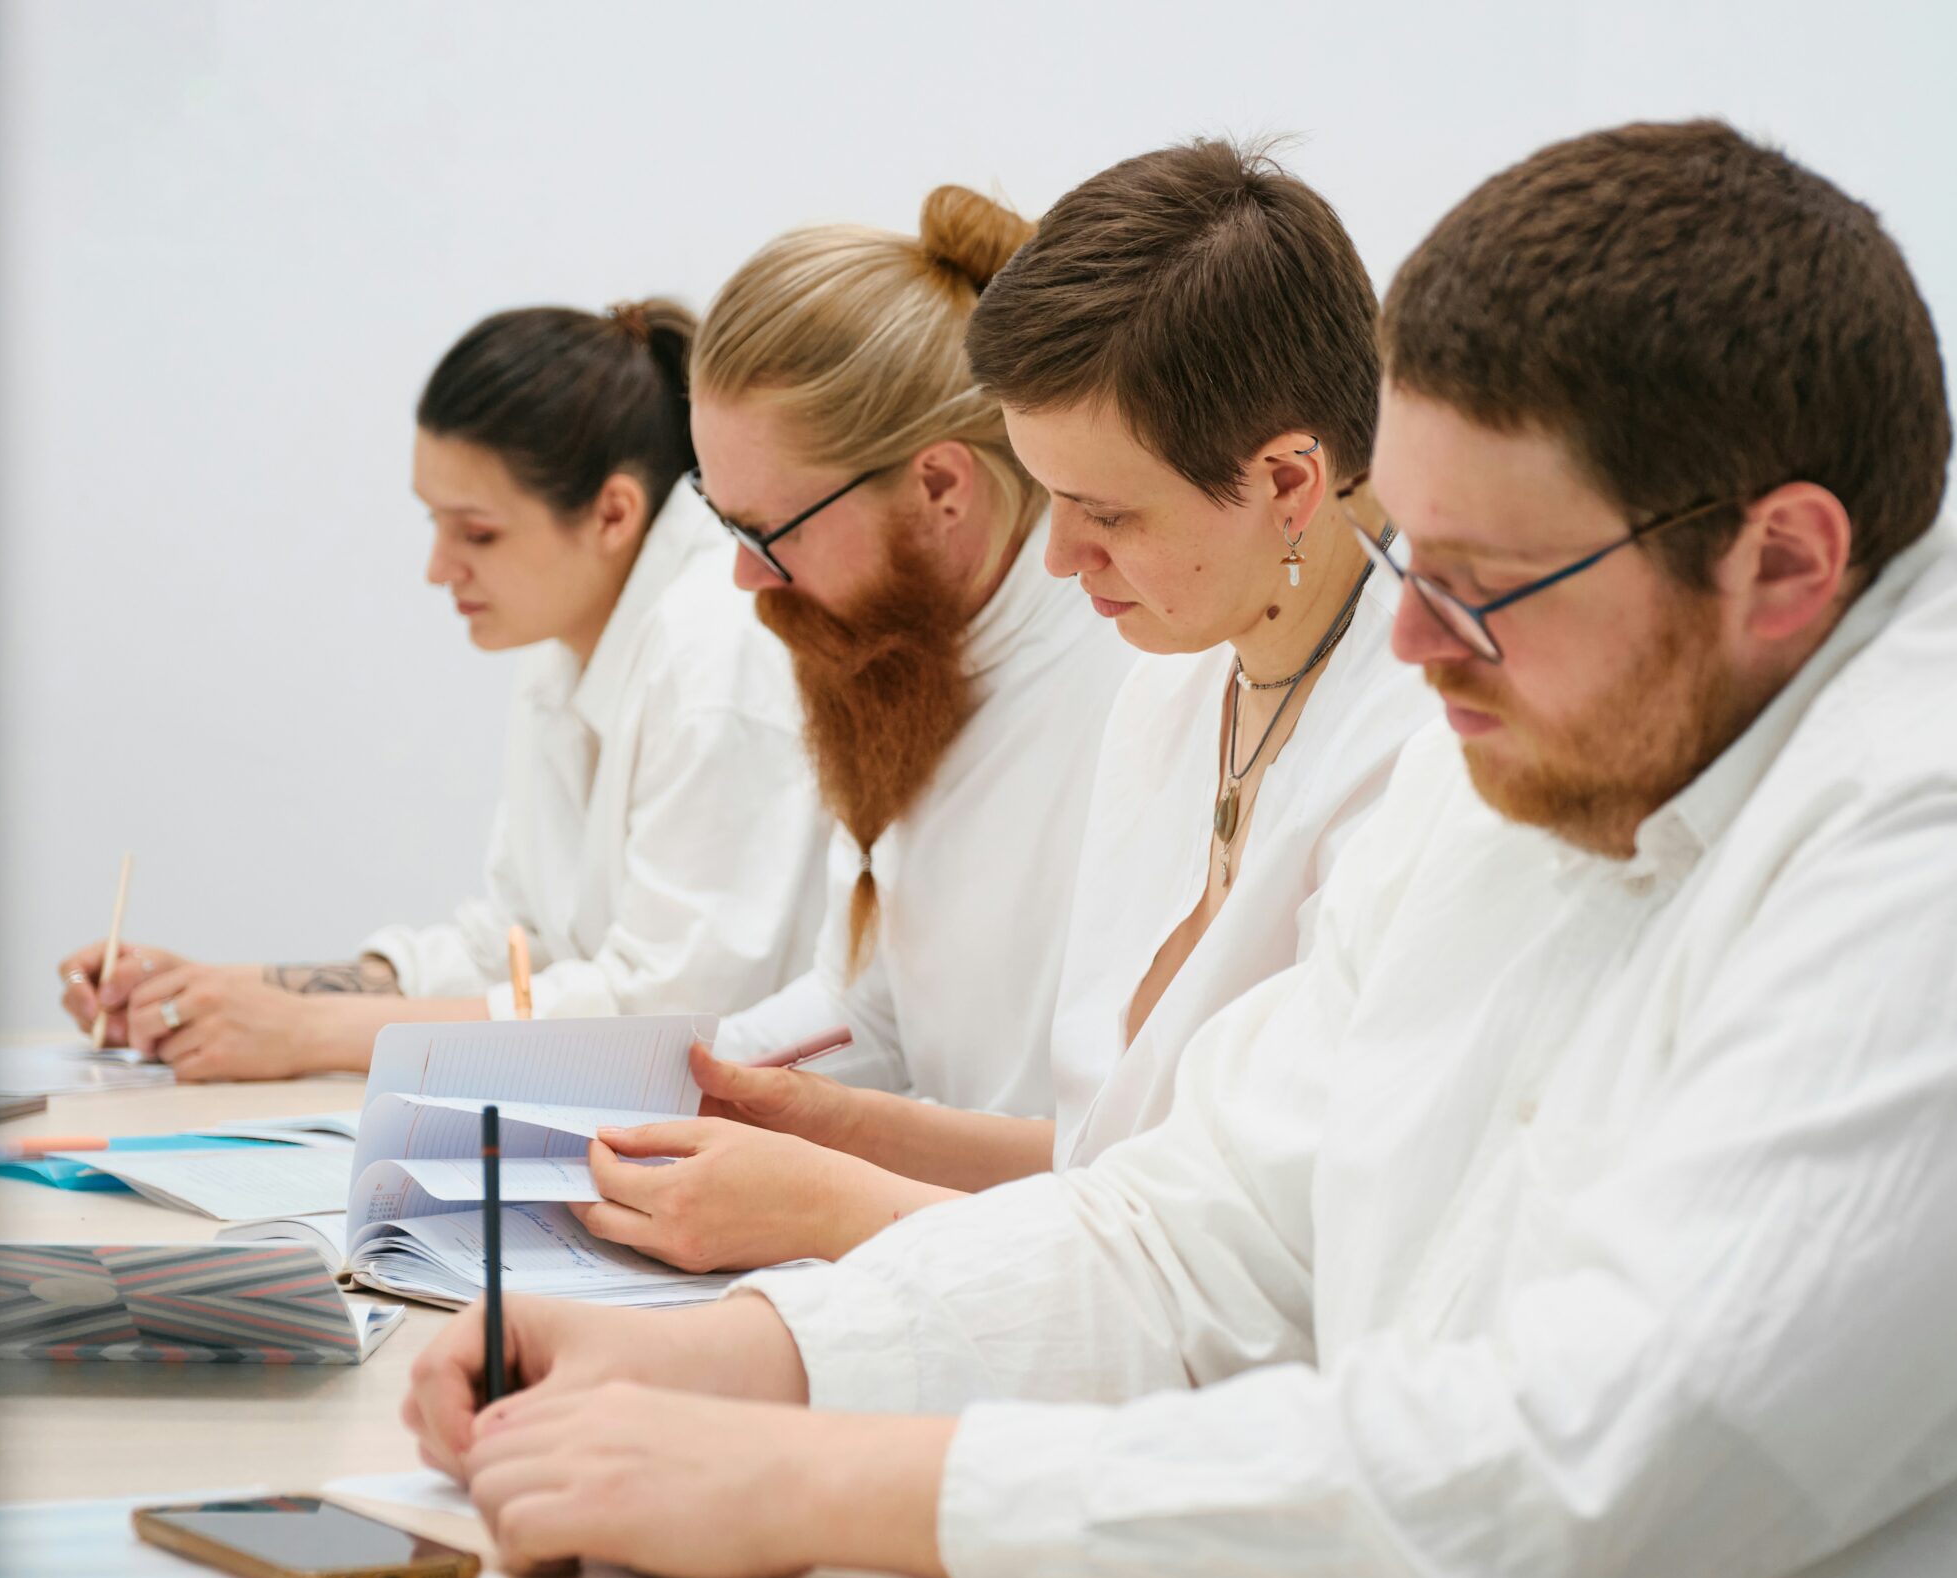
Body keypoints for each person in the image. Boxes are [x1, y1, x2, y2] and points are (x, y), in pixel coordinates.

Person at [402, 121, 1957, 1578]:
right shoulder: (1554, 735)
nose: (1407, 640)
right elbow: (1213, 1222)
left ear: (1782, 559)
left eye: (1482, 582)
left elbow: (1584, 1470)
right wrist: (754, 1350)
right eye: (1407, 552)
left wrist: (824, 1476)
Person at [577, 142, 1433, 1273]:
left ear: (1287, 484)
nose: (1061, 557)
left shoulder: (1417, 751)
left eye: (1103, 514)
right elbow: (1102, 1161)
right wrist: (820, 1123)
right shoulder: (1171, 691)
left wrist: (841, 1208)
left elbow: (1260, 1263)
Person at [57, 302, 827, 1080]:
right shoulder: (565, 640)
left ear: (613, 513)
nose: (438, 567)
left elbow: (669, 1020)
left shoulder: (718, 646)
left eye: (477, 532)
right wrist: (223, 994)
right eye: (434, 522)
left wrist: (311, 1031)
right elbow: (510, 950)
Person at [690, 188, 1134, 1116]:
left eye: (771, 534)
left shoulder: (1136, 683)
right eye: (723, 523)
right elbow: (870, 1015)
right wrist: (643, 1083)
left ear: (940, 486)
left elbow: (1096, 1144)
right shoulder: (908, 657)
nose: (744, 578)